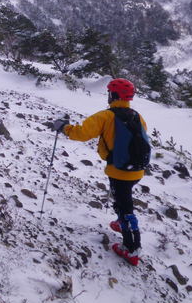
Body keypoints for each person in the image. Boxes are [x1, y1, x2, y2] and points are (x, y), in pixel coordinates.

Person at [53, 78, 146, 266]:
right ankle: (122, 223)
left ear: (113, 95)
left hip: (119, 170)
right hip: (137, 170)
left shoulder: (106, 116)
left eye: (110, 92)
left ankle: (132, 248)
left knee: (124, 206)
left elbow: (82, 133)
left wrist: (63, 127)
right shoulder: (137, 116)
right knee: (123, 198)